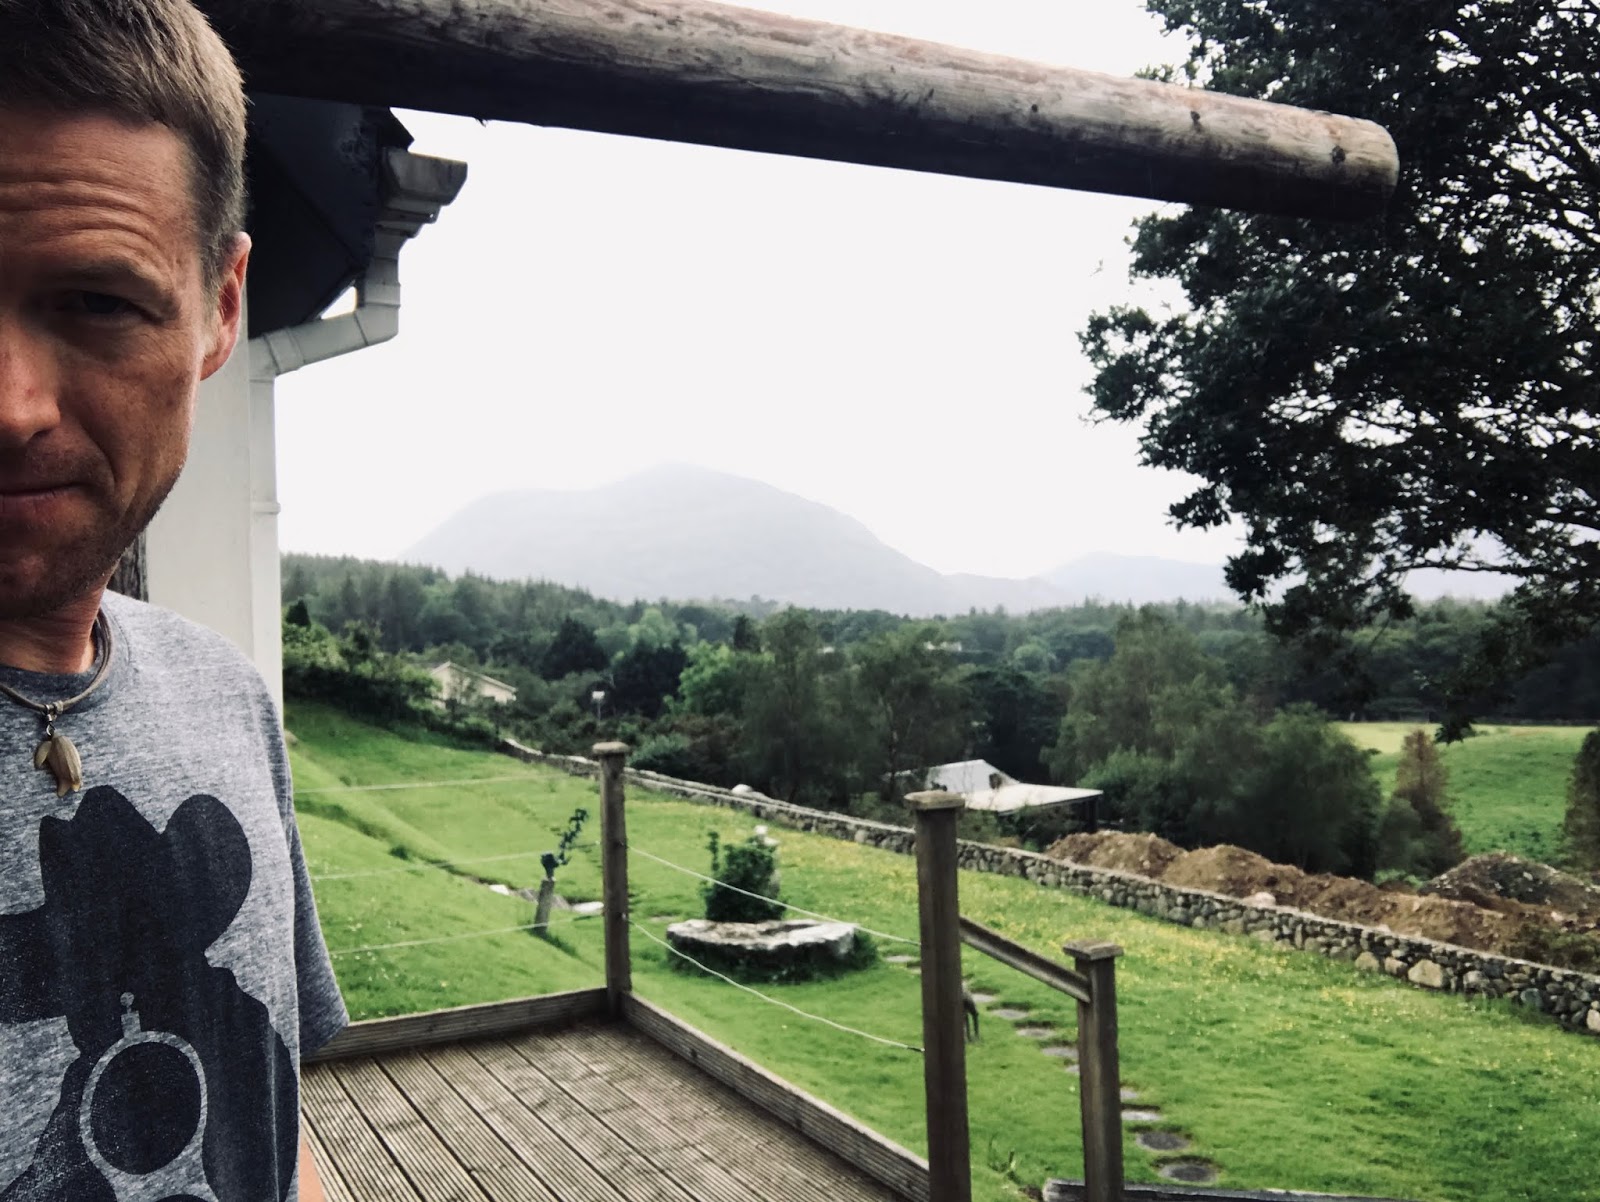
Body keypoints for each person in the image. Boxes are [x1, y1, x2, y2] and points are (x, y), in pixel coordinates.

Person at [0, 2, 347, 1198]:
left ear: (221, 306)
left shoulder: (223, 694)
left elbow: (274, 1111)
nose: (12, 404)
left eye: (100, 301)